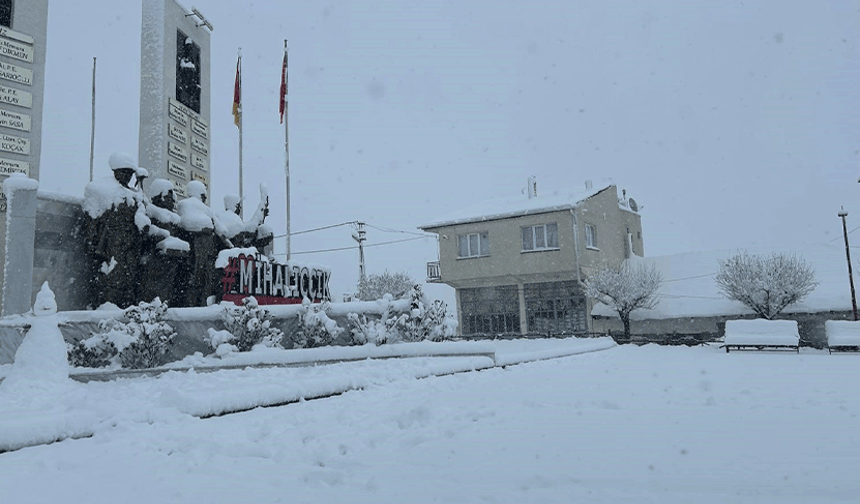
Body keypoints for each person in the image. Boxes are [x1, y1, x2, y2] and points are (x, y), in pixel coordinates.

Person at [82, 152, 148, 308]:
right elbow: (92, 217)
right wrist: (92, 243)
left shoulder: (136, 194)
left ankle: (125, 309)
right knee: (110, 279)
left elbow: (144, 215)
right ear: (116, 171)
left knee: (129, 280)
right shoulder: (101, 189)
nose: (127, 176)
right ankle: (106, 308)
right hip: (110, 243)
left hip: (130, 245)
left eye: (130, 173)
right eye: (124, 172)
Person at [139, 178, 190, 306]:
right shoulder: (151, 211)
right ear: (158, 197)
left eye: (171, 197)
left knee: (168, 286)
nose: (171, 200)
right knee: (153, 288)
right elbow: (146, 230)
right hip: (154, 258)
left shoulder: (175, 218)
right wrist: (162, 235)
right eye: (168, 197)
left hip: (172, 259)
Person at [176, 180, 220, 306]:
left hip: (206, 253)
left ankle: (200, 305)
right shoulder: (184, 205)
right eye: (203, 195)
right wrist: (203, 228)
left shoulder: (207, 210)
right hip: (194, 251)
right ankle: (191, 306)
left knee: (204, 282)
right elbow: (186, 223)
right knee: (192, 282)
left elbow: (221, 230)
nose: (205, 198)